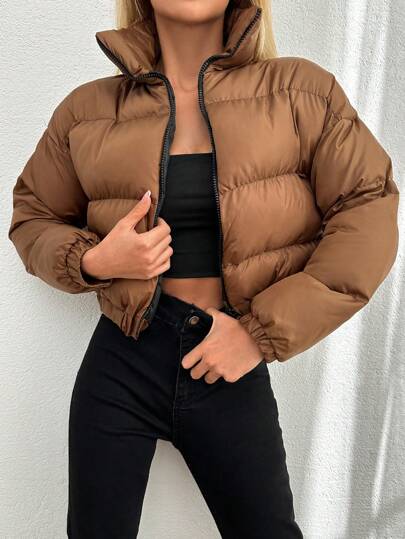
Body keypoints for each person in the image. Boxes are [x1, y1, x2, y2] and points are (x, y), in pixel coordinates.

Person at [8, 0, 399, 537]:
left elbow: (368, 206)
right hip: (123, 357)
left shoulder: (301, 92)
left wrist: (258, 334)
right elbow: (32, 216)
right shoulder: (87, 110)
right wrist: (94, 260)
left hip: (228, 355)